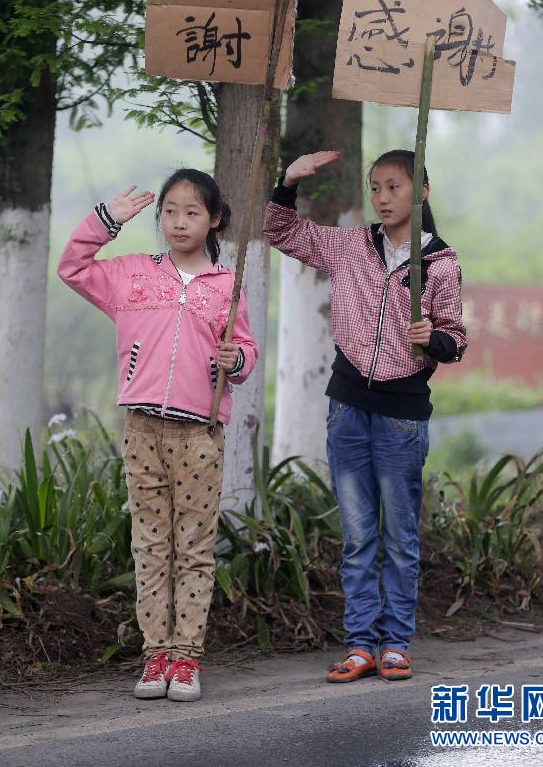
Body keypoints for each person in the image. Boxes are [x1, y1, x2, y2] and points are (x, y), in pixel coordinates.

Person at [263, 149, 466, 683]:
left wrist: (432, 338)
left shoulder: (440, 264)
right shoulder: (351, 245)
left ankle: (395, 643)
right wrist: (288, 182)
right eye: (375, 187)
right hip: (348, 409)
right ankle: (359, 644)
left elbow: (455, 339)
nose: (382, 197)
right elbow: (281, 232)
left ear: (422, 191)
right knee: (357, 538)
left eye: (394, 186)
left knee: (399, 537)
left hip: (402, 416)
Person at [58, 168, 257, 701]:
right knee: (149, 546)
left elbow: (245, 350)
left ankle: (186, 658)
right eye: (170, 211)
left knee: (193, 548)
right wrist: (106, 220)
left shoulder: (227, 285)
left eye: (192, 212)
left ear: (215, 220)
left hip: (199, 434)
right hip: (142, 429)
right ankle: (156, 657)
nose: (179, 222)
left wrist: (237, 359)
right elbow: (72, 266)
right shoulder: (132, 275)